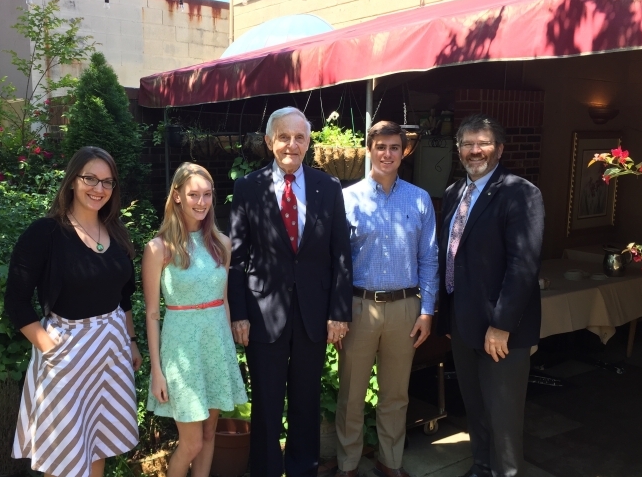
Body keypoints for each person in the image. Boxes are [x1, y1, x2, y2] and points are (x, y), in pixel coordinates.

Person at [228, 106, 353, 477]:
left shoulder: (328, 188)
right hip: (263, 317)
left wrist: (339, 311)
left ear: (309, 141)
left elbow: (341, 254)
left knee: (305, 403)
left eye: (300, 137)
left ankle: (302, 470)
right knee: (266, 405)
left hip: (314, 315)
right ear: (269, 142)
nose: (292, 145)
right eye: (284, 137)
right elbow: (237, 258)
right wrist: (239, 313)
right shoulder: (247, 187)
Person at [5, 146, 141, 477]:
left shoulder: (116, 232)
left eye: (107, 182)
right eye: (90, 179)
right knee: (62, 452)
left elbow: (123, 297)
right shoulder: (45, 234)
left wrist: (132, 340)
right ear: (71, 182)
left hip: (112, 349)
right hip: (65, 351)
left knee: (99, 442)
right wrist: (51, 350)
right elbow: (16, 302)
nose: (99, 189)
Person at [436, 114, 544, 477]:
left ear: (499, 149)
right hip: (463, 327)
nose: (474, 150)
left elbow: (523, 266)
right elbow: (450, 257)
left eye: (482, 143)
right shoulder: (454, 193)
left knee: (504, 416)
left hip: (501, 333)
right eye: (467, 144)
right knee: (476, 409)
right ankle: (481, 467)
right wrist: (448, 317)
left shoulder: (520, 193)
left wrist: (501, 325)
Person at [337, 121, 439, 477]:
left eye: (394, 147)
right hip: (359, 306)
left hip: (405, 308)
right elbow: (337, 262)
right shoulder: (348, 199)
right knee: (351, 393)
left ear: (404, 151)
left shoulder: (419, 198)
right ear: (369, 150)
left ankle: (389, 461)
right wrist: (337, 313)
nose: (387, 154)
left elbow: (429, 258)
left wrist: (427, 311)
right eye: (380, 146)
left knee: (396, 395)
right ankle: (347, 464)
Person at [143, 162, 247, 477]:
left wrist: (229, 354)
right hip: (180, 353)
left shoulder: (222, 245)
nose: (201, 202)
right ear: (177, 196)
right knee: (190, 444)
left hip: (215, 347)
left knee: (208, 434)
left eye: (207, 195)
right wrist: (157, 371)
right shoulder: (158, 248)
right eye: (193, 195)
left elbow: (225, 301)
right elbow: (150, 313)